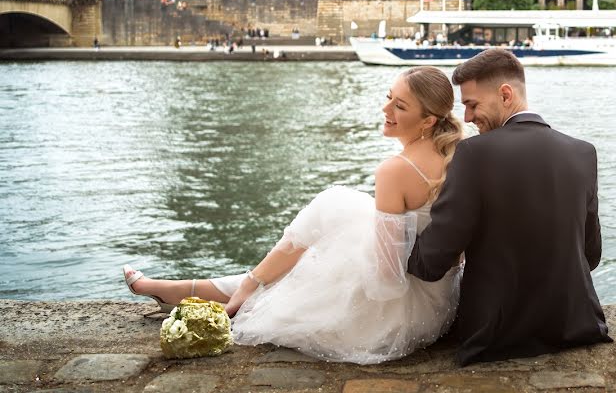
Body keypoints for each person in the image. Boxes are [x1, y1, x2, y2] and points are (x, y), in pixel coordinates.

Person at [123, 67, 464, 364]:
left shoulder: (395, 171)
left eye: (399, 106)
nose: (385, 108)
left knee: (322, 232)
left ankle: (214, 288)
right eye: (389, 97)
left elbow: (387, 281)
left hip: (401, 314)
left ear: (428, 120)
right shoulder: (459, 152)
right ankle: (190, 288)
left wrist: (340, 258)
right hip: (440, 301)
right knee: (328, 227)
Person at [407, 48, 613, 365]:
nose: (467, 118)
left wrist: (396, 244)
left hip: (496, 337)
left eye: (472, 104)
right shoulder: (582, 152)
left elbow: (433, 260)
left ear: (505, 94)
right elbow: (591, 255)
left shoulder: (474, 153)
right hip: (576, 325)